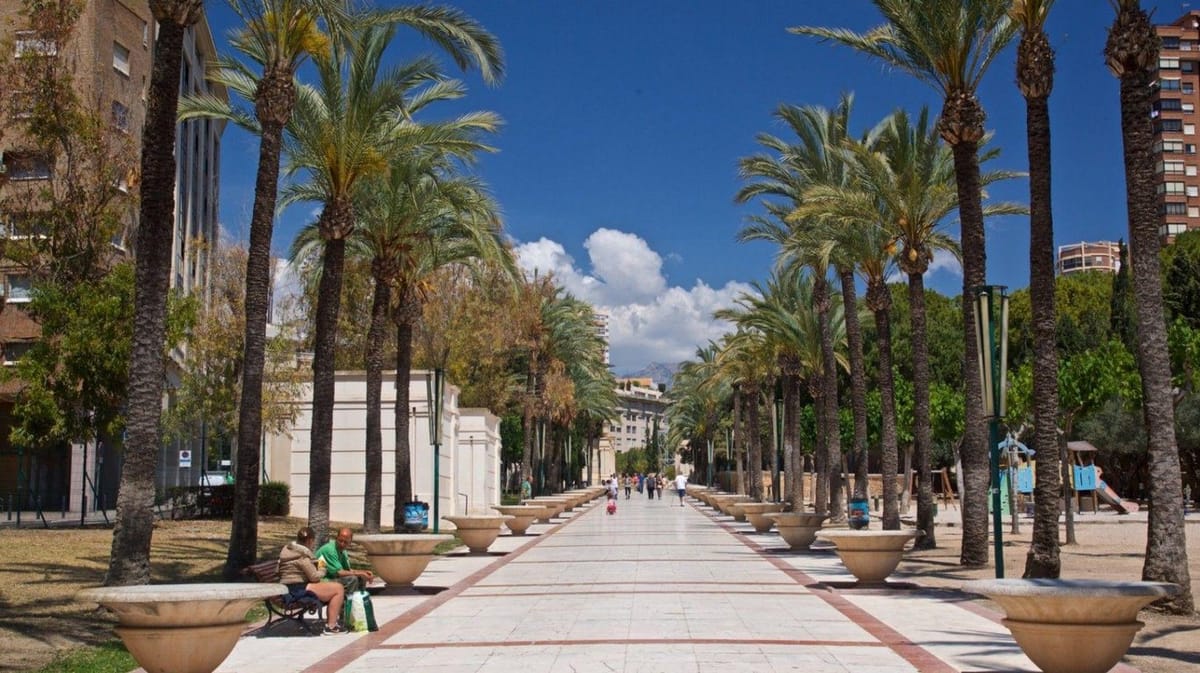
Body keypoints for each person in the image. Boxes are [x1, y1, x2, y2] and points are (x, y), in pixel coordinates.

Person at [278, 526, 346, 634]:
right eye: (313, 541)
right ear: (310, 541)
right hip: (298, 590)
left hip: (288, 588)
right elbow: (314, 577)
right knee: (338, 589)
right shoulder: (302, 556)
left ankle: (332, 623)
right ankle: (331, 627)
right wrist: (323, 567)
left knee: (332, 586)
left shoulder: (288, 551)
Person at [316, 527, 375, 593]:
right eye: (340, 541)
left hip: (333, 578)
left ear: (350, 542)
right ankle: (349, 600)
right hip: (323, 580)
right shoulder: (329, 550)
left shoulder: (343, 551)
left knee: (361, 577)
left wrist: (364, 572)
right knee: (352, 579)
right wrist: (360, 573)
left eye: (345, 542)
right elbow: (339, 572)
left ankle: (360, 599)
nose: (342, 544)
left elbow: (347, 570)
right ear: (336, 538)